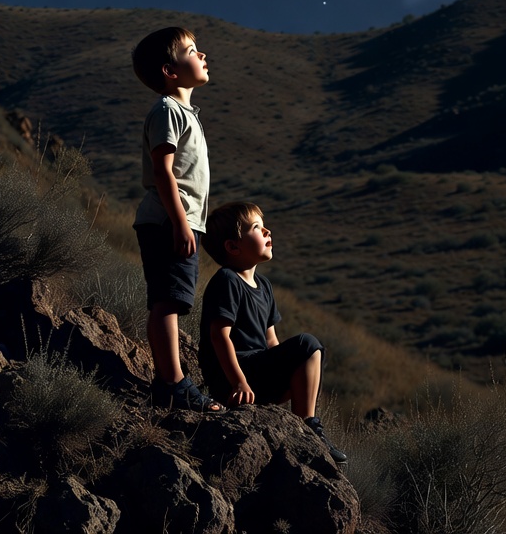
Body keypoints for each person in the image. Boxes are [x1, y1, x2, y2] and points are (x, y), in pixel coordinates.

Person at [199, 201, 347, 462]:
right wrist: (239, 382)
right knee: (307, 344)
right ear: (233, 247)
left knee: (306, 353)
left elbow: (270, 342)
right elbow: (219, 336)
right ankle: (307, 432)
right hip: (235, 377)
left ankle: (304, 429)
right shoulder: (227, 280)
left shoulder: (264, 286)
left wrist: (288, 369)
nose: (267, 231)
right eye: (257, 228)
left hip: (257, 371)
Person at [132, 26, 221, 411]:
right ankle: (173, 385)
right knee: (168, 301)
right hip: (170, 221)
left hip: (178, 221)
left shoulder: (185, 113)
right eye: (191, 50)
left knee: (173, 299)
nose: (202, 56)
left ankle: (171, 382)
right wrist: (181, 222)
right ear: (170, 70)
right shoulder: (168, 111)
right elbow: (162, 171)